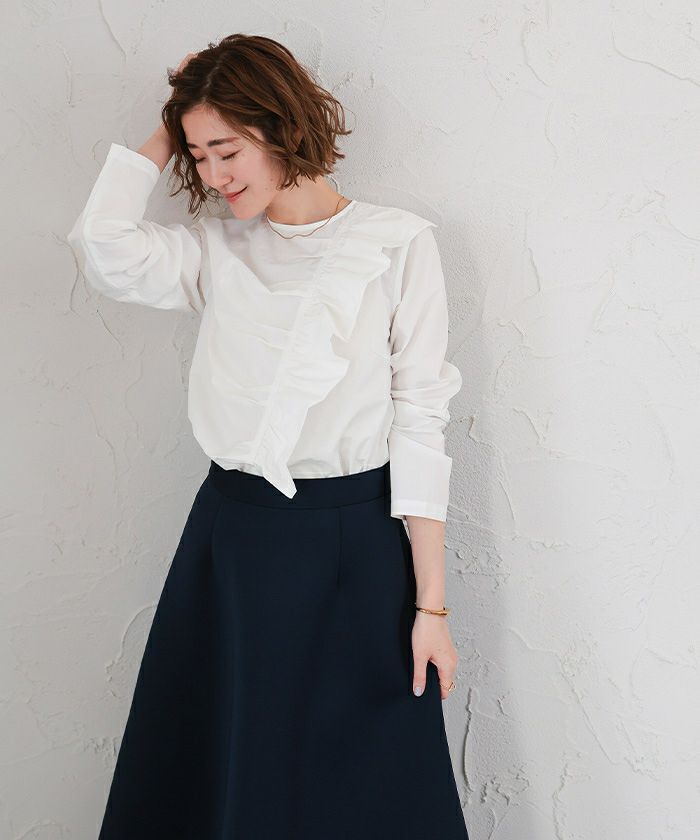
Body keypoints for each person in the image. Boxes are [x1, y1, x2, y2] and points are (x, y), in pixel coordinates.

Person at [67, 33, 469, 840]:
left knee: (365, 780)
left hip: (360, 543)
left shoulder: (397, 244)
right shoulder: (216, 250)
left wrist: (432, 607)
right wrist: (169, 125)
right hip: (235, 538)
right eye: (198, 157)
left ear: (282, 126)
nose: (214, 176)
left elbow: (421, 420)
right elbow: (102, 247)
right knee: (229, 771)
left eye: (228, 150)